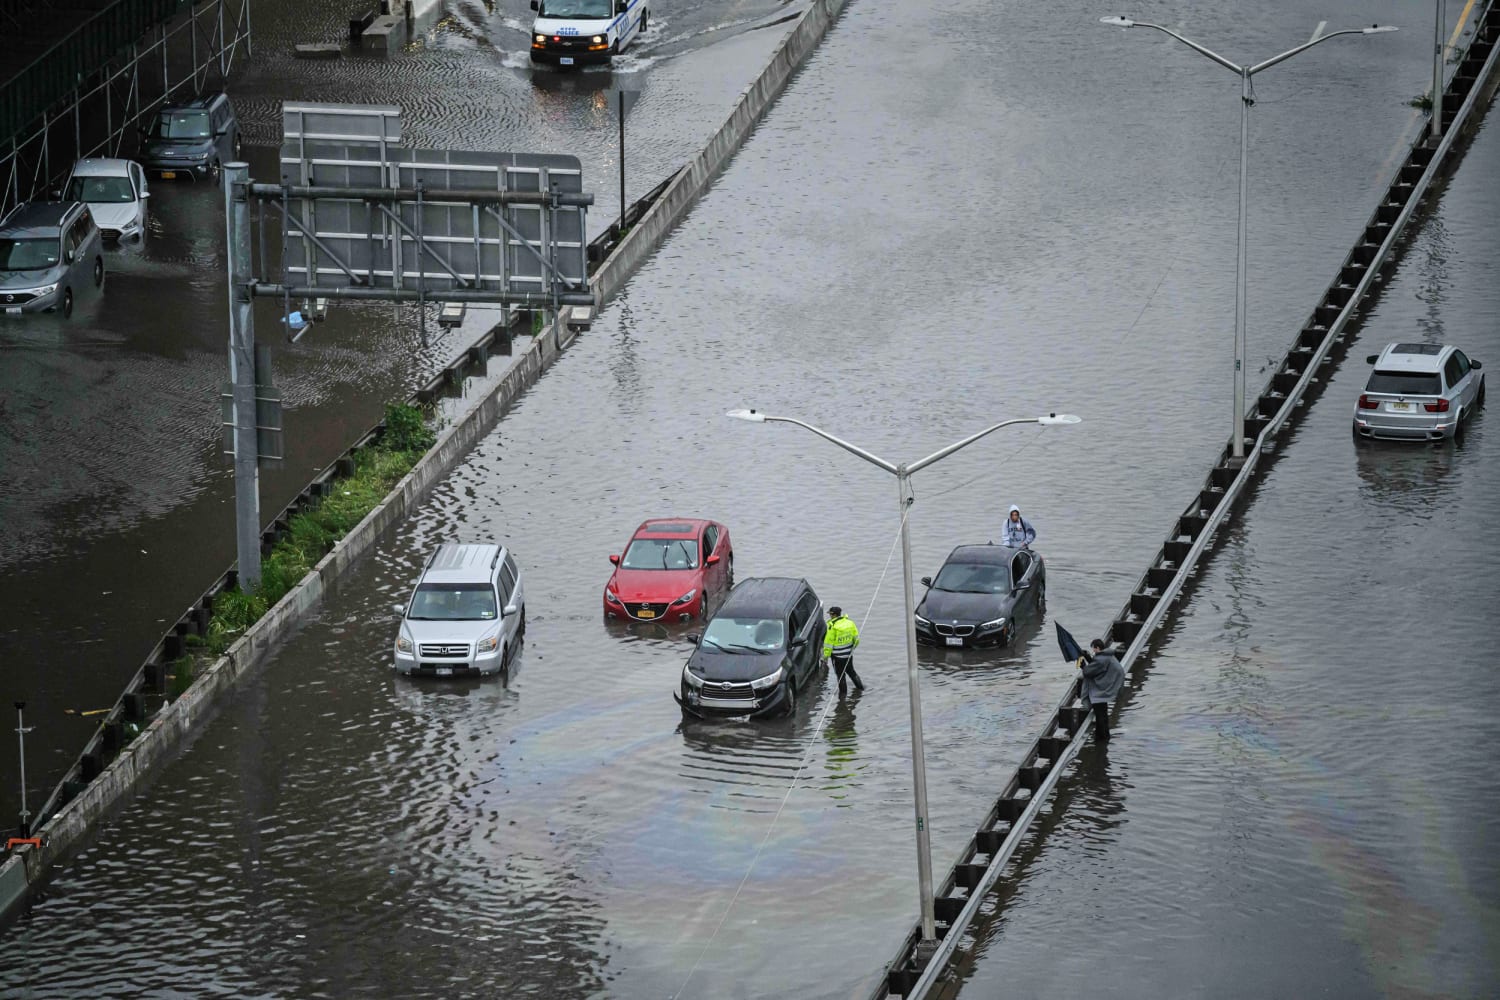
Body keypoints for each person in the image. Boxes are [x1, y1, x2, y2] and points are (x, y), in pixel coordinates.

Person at [1077, 639, 1125, 743]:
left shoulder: (1101, 659)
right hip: (1106, 690)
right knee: (1103, 714)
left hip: (1100, 692)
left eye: (1093, 649)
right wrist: (1087, 657)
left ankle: (1101, 739)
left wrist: (1083, 665)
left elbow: (1088, 672)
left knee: (1100, 716)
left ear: (1098, 648)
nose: (1093, 651)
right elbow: (1098, 666)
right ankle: (1104, 737)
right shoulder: (1108, 655)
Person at [822, 606, 864, 696]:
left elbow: (828, 644)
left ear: (833, 615)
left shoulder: (832, 627)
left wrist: (825, 657)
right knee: (852, 672)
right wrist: (851, 650)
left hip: (837, 657)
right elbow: (856, 639)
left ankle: (842, 697)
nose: (829, 616)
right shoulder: (850, 623)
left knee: (841, 677)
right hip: (848, 655)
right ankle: (861, 689)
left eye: (830, 614)